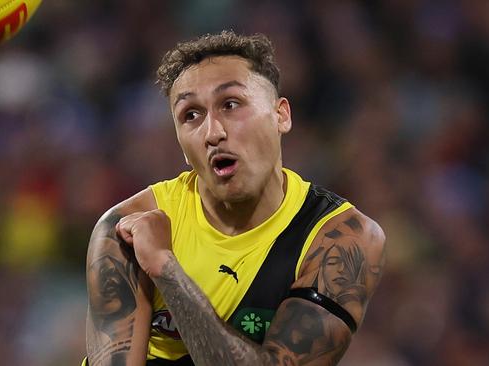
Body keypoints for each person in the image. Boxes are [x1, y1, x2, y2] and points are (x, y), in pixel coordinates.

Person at [84, 30, 386, 366]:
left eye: (231, 104)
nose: (213, 132)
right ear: (181, 145)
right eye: (191, 115)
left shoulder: (340, 240)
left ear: (281, 115)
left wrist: (167, 270)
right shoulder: (126, 228)